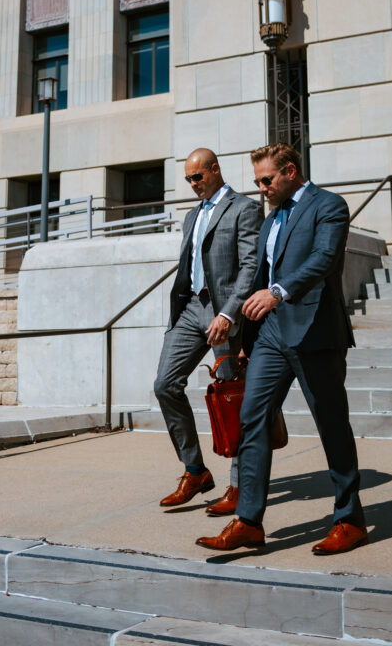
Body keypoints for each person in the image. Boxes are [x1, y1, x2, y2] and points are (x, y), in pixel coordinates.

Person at [196, 142, 367, 554]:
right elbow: (259, 274)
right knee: (252, 419)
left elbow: (325, 259)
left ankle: (350, 519)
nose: (261, 189)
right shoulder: (272, 218)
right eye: (257, 181)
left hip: (315, 331)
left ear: (290, 171)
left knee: (331, 425)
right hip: (270, 335)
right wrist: (247, 340)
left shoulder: (329, 205)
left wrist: (278, 292)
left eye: (267, 180)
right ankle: (249, 522)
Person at [155, 147, 263, 512]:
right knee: (165, 384)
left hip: (224, 314)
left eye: (197, 177)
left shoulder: (244, 209)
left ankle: (237, 486)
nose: (192, 184)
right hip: (191, 309)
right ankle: (195, 471)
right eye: (188, 179)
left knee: (233, 399)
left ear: (215, 170)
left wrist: (230, 314)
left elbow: (250, 266)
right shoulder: (191, 216)